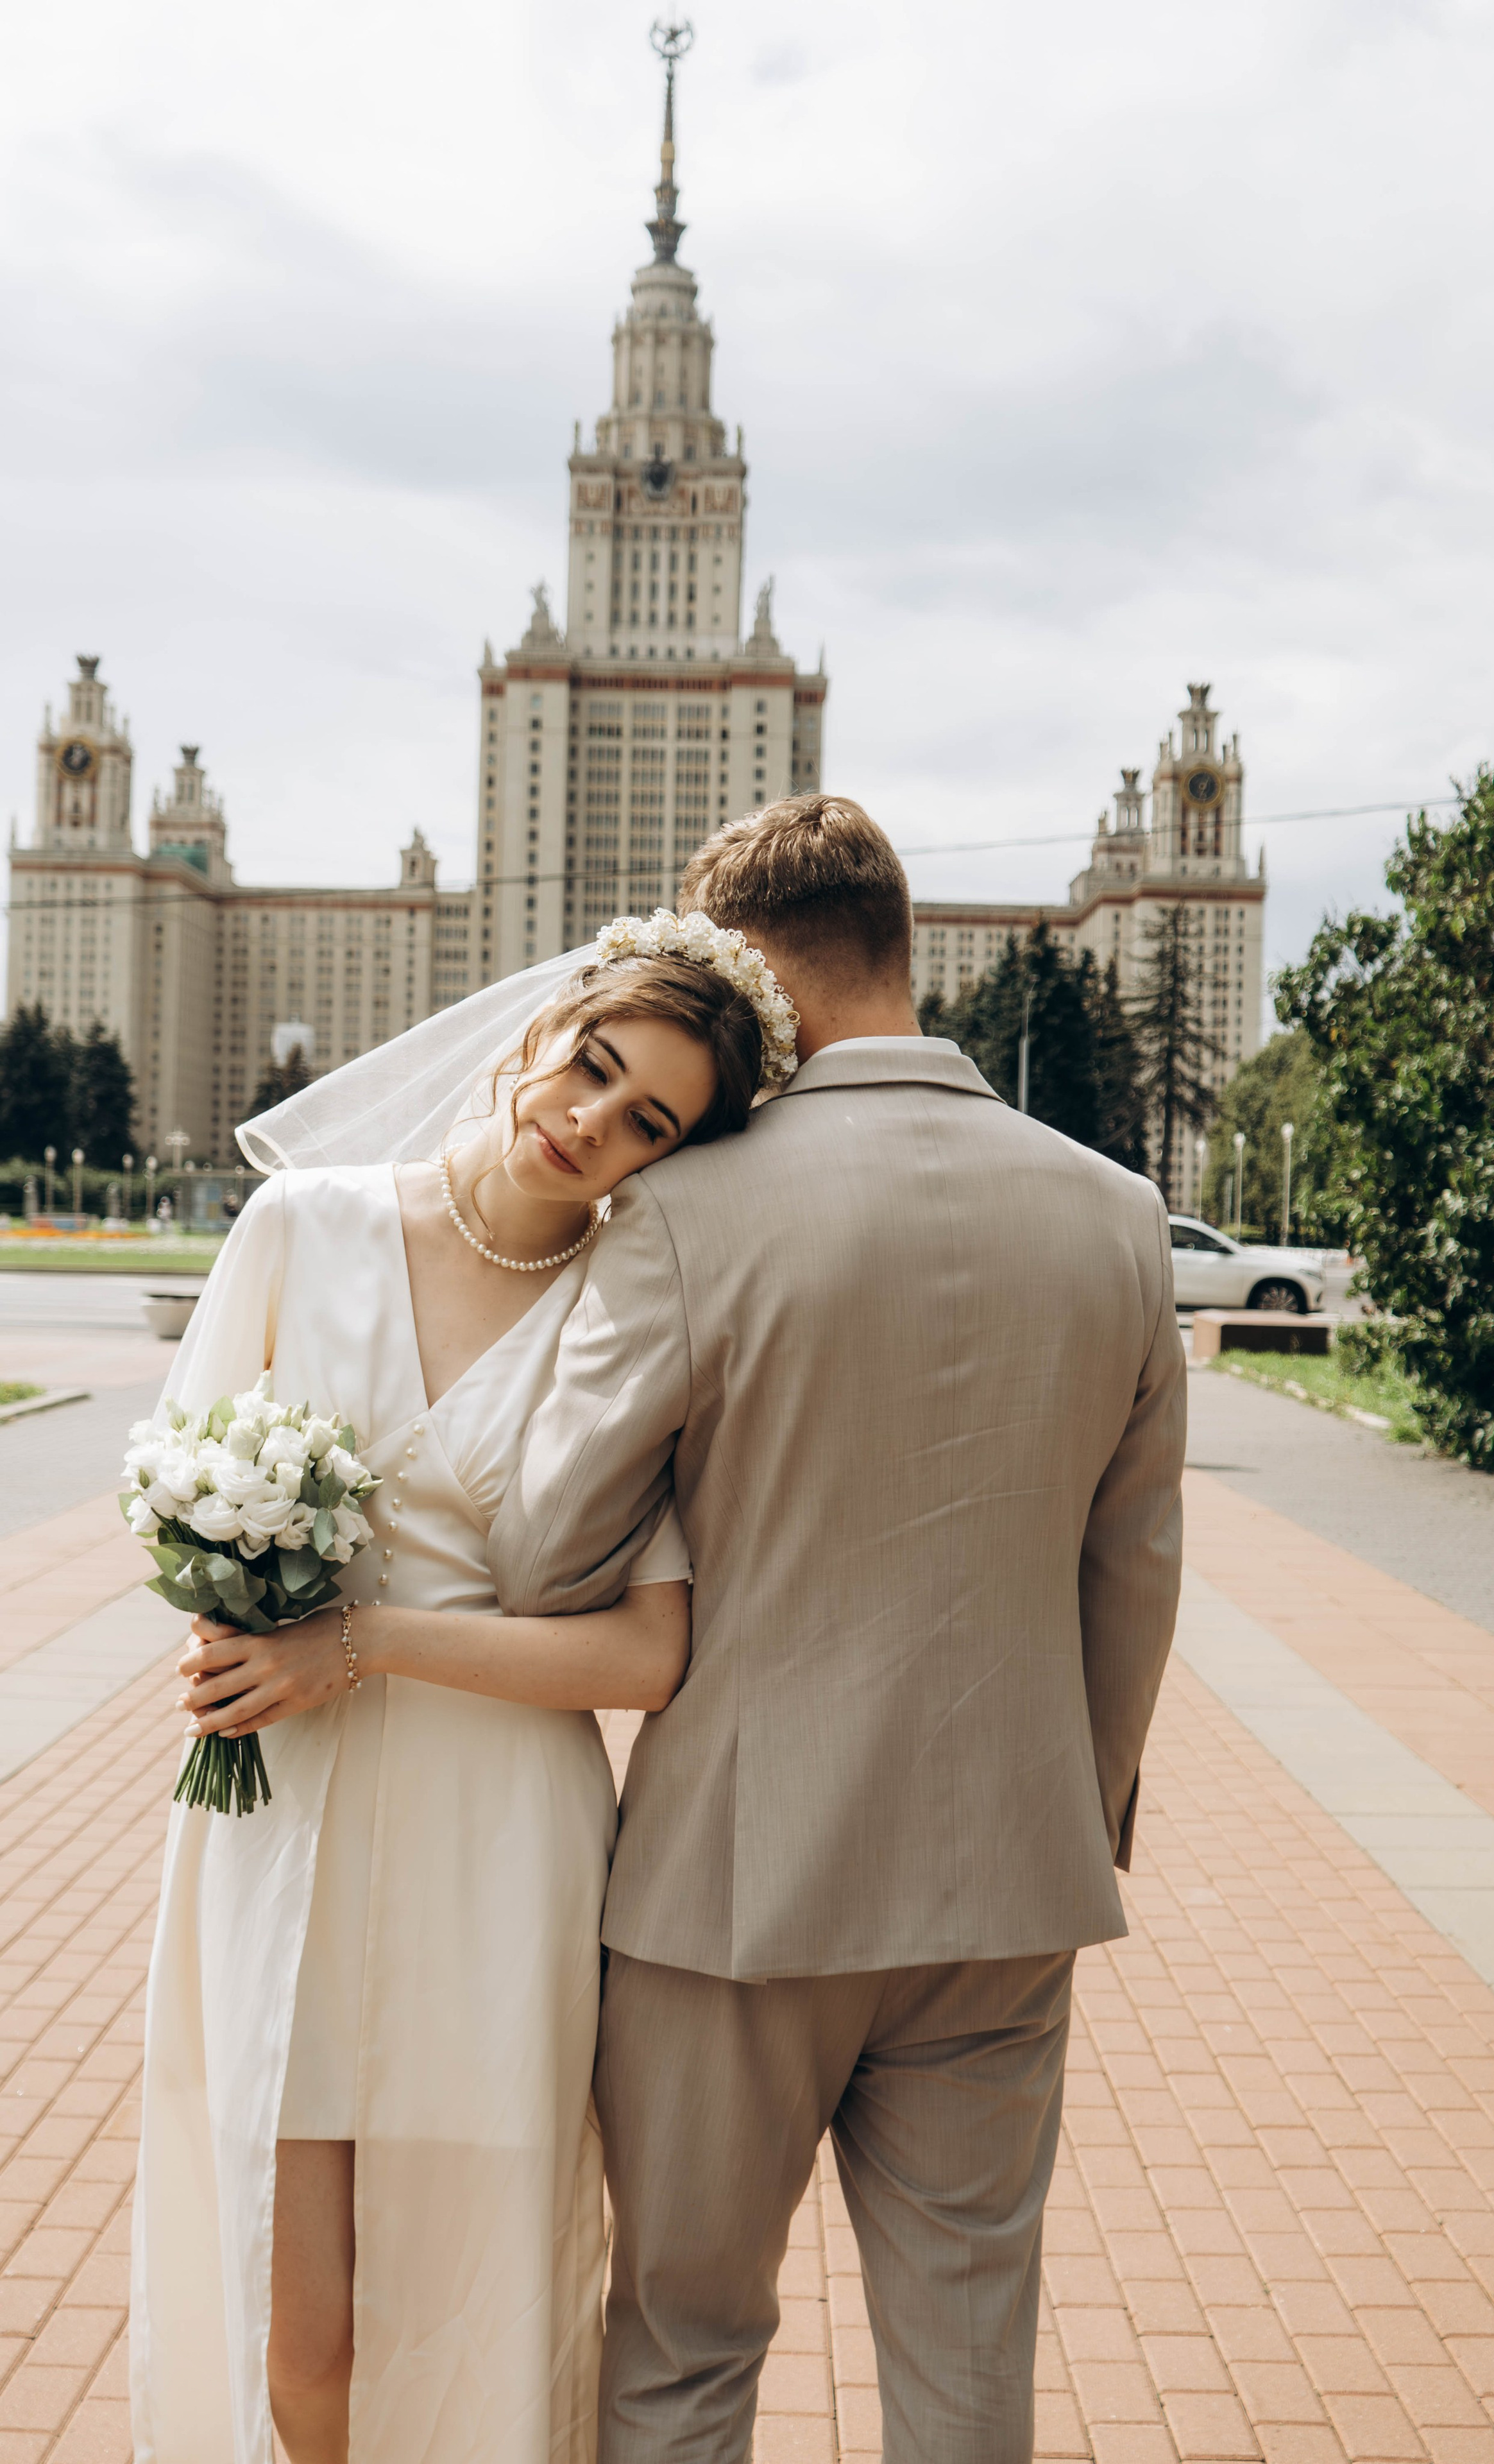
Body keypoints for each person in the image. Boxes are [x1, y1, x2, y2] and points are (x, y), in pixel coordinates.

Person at [489, 792, 1187, 2464]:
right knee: (966, 2367)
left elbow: (541, 1553)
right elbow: (1136, 1569)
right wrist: (1074, 1816)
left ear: (746, 981)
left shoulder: (687, 1213)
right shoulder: (1116, 1216)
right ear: (904, 946)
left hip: (735, 1889)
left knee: (682, 2352)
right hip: (1010, 1885)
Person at [130, 939, 786, 2464]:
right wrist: (232, 1602)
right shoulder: (307, 1227)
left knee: (479, 2285)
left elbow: (645, 1656)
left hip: (500, 1845)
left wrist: (359, 1646)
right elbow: (169, 1496)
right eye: (594, 1065)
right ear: (549, 1023)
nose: (586, 1122)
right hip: (289, 1808)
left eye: (647, 1128)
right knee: (303, 2329)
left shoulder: (624, 1308)